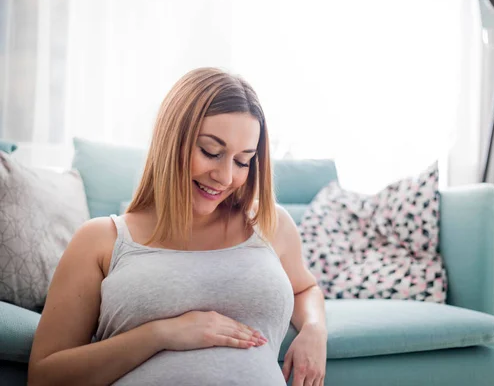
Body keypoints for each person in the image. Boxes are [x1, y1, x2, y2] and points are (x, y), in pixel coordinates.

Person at [28, 68, 328, 386]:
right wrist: (162, 333)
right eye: (211, 152)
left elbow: (305, 288)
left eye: (242, 161)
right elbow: (44, 376)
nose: (225, 177)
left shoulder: (270, 224)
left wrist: (314, 329)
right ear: (172, 141)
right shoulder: (101, 240)